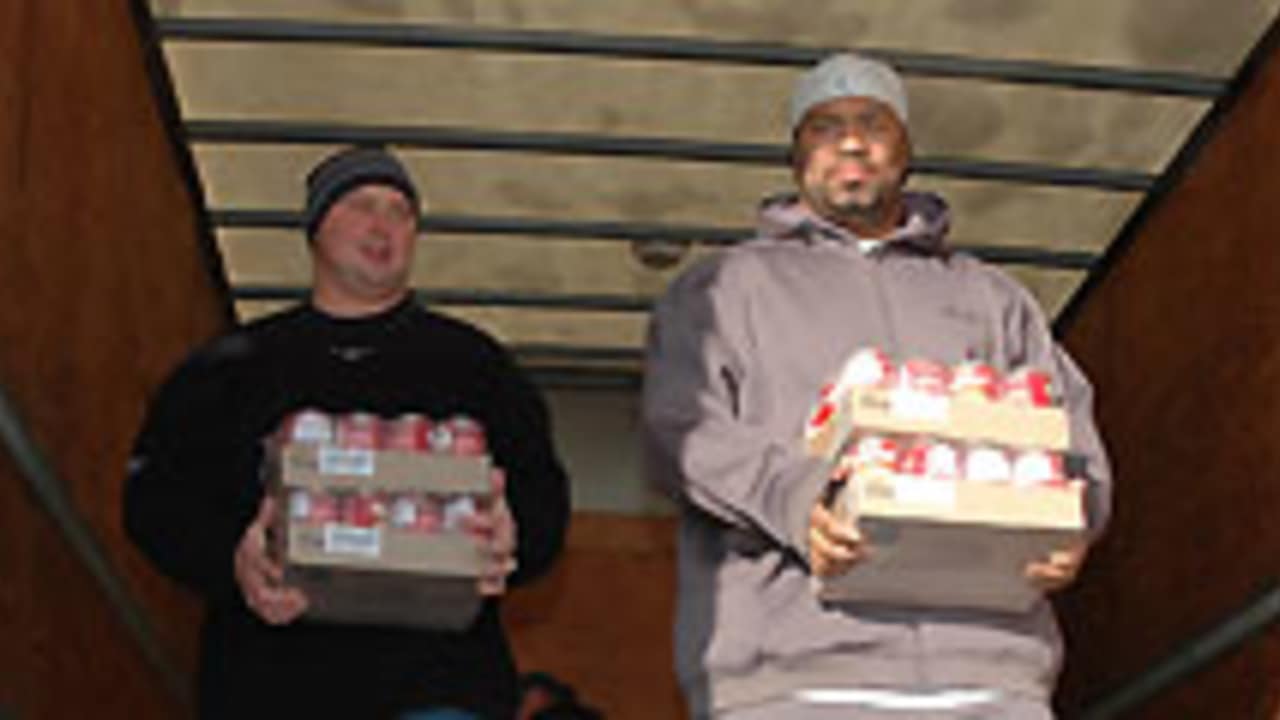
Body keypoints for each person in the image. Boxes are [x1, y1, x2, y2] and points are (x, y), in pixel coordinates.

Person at [642, 53, 1111, 719]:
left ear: (907, 148)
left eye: (873, 123)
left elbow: (1070, 434)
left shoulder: (991, 298)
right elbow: (679, 435)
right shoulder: (723, 291)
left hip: (988, 677)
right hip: (793, 682)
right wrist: (799, 500)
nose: (852, 141)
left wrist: (1075, 520)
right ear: (796, 156)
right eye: (825, 127)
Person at [124, 146, 571, 719]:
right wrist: (231, 558)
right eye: (362, 205)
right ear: (315, 227)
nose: (383, 225)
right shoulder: (230, 367)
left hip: (439, 687)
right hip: (269, 686)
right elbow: (153, 497)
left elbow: (543, 496)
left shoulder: (476, 366)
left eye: (401, 212)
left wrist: (517, 535)